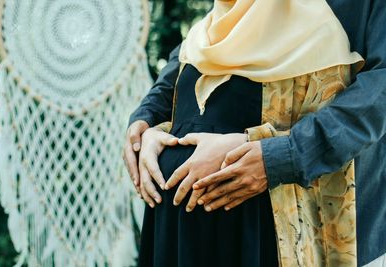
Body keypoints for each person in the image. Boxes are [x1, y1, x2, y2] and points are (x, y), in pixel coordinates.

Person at [123, 0, 386, 266]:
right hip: (181, 233)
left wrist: (277, 156)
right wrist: (147, 121)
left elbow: (380, 91)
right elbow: (202, 46)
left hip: (293, 225)